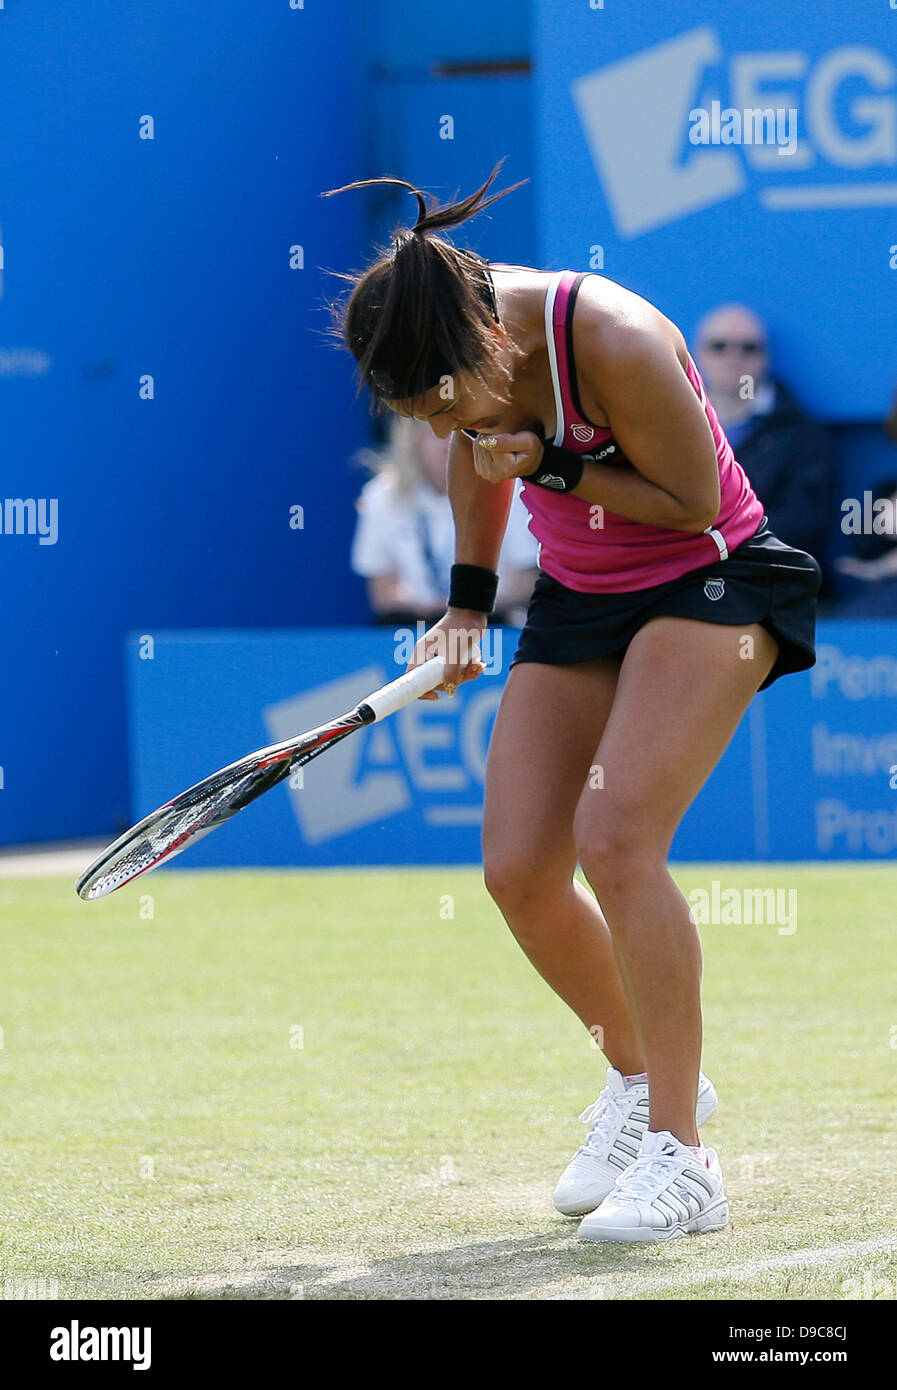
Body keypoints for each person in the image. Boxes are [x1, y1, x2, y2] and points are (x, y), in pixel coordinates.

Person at [324, 166, 821, 1244]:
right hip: (583, 599)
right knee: (518, 866)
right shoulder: (454, 354)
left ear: (482, 338)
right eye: (424, 413)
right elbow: (477, 460)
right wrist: (464, 603)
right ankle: (641, 1083)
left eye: (452, 398)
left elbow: (692, 503)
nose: (449, 420)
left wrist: (551, 460)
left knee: (618, 837)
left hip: (715, 576)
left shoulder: (615, 339)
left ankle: (688, 1160)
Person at [694, 304, 837, 586]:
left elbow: (802, 524)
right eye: (720, 346)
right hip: (679, 580)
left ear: (766, 357)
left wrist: (718, 546)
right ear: (698, 353)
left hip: (765, 582)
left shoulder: (802, 434)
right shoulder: (668, 424)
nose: (734, 358)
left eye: (749, 348)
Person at [351, 414, 538, 626]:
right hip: (415, 623)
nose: (447, 443)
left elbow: (526, 583)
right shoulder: (380, 497)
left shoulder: (506, 489)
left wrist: (463, 607)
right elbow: (382, 595)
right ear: (412, 439)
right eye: (434, 433)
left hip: (494, 620)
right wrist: (431, 606)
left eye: (460, 432)